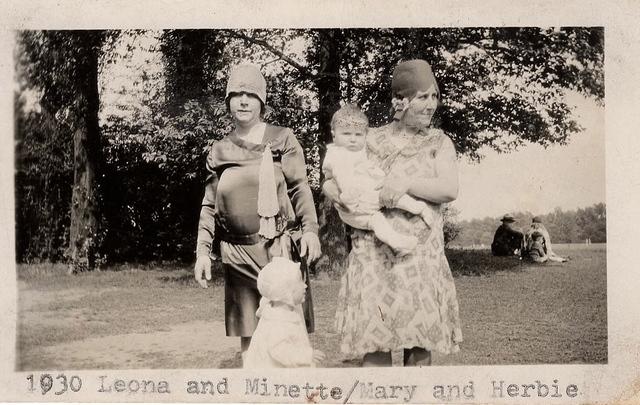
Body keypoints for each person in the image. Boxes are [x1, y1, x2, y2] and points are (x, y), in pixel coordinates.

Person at [324, 59, 462, 367]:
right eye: (423, 97)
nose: (431, 105)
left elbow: (449, 189)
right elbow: (335, 175)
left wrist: (404, 184)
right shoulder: (370, 139)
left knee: (419, 350)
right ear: (400, 99)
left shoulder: (439, 142)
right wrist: (334, 193)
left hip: (420, 257)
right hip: (374, 256)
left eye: (435, 96)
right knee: (375, 351)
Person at [194, 64, 321, 361]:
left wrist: (311, 230)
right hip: (235, 253)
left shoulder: (282, 138)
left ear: (261, 101)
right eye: (236, 94)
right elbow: (209, 203)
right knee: (250, 342)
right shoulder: (220, 149)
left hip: (275, 248)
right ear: (228, 101)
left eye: (250, 94)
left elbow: (299, 187)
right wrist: (202, 251)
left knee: (285, 333)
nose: (243, 100)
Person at [322, 103, 439, 256]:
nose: (352, 139)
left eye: (358, 135)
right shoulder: (335, 154)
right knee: (376, 221)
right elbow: (339, 175)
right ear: (334, 135)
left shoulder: (363, 148)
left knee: (391, 198)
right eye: (346, 134)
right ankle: (398, 242)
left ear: (365, 135)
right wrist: (346, 195)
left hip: (369, 195)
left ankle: (418, 210)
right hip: (350, 206)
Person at [243, 257, 326, 368]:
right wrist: (306, 355)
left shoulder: (284, 309)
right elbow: (280, 350)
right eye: (300, 282)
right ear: (286, 292)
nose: (305, 285)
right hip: (275, 372)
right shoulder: (277, 321)